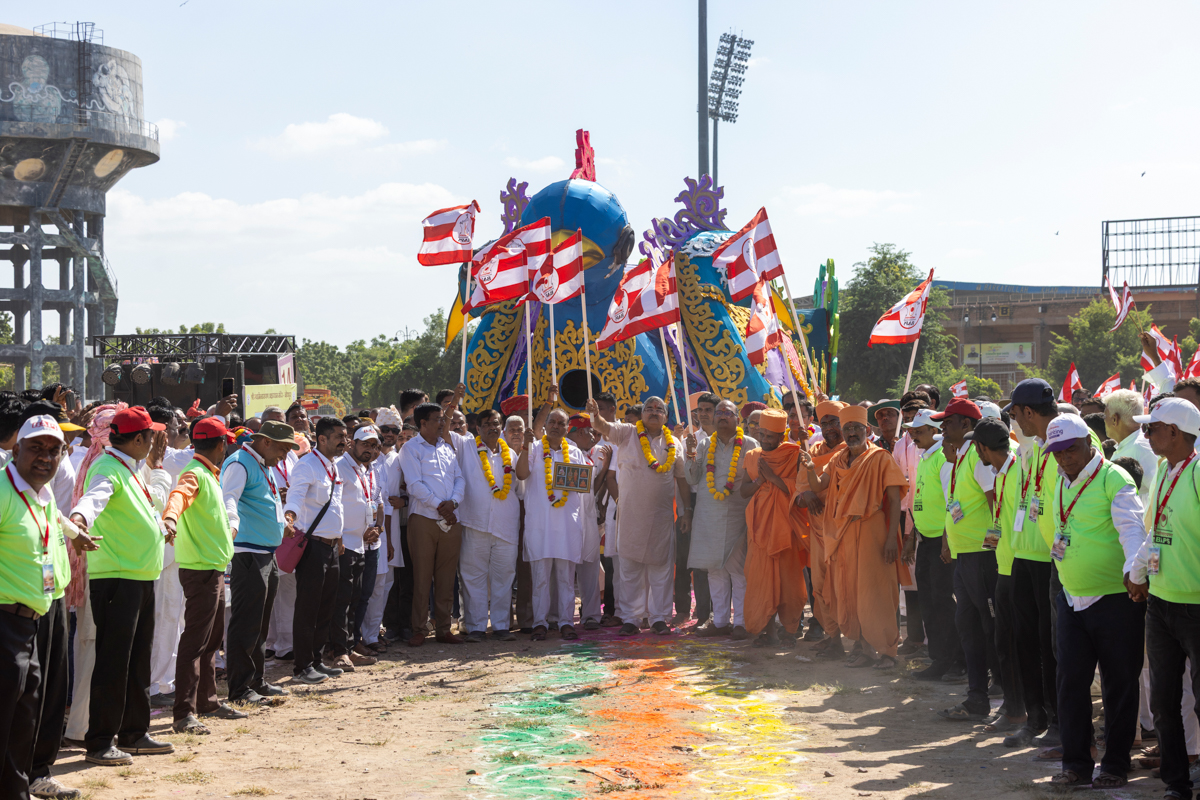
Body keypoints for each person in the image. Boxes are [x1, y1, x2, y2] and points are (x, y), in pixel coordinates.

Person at [1042, 414, 1147, 789]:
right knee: (1070, 683)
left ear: (1089, 442)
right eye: (1057, 451)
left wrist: (1137, 574)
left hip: (1115, 599)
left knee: (1119, 684)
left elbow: (1132, 529)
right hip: (1072, 598)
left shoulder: (1113, 478)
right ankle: (1076, 765)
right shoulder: (1060, 479)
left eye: (1071, 448)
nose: (1064, 457)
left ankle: (1116, 765)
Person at [69, 407, 175, 766]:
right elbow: (93, 498)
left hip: (138, 576)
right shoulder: (108, 467)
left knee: (136, 660)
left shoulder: (128, 467)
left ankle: (133, 733)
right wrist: (80, 521)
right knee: (114, 662)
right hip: (117, 578)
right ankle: (99, 742)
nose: (154, 442)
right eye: (151, 436)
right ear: (140, 439)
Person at [0, 415, 76, 797]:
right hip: (5, 620)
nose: (45, 457)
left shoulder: (40, 494)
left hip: (34, 617)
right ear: (15, 450)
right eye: (36, 448)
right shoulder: (1, 492)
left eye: (54, 450)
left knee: (24, 717)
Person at [1129, 398, 1200, 798]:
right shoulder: (1164, 473)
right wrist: (1137, 573)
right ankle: (1177, 783)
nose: (1146, 434)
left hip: (1197, 604)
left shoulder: (1198, 472)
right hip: (1162, 603)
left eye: (1151, 428)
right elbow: (1153, 531)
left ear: (1173, 432)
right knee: (1164, 703)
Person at [800, 405, 908, 668]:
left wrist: (892, 539)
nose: (851, 433)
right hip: (844, 534)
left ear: (867, 430)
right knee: (850, 591)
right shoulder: (839, 459)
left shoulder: (880, 458)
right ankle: (863, 649)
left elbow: (894, 500)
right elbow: (819, 486)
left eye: (856, 428)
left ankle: (887, 653)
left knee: (876, 591)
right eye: (847, 429)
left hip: (873, 531)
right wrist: (809, 468)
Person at [161, 417, 245, 735]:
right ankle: (184, 713)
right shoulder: (196, 473)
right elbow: (178, 497)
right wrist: (169, 518)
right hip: (200, 570)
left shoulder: (208, 473)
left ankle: (207, 701)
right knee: (196, 642)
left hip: (211, 568)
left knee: (210, 640)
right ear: (221, 444)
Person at [586, 396, 691, 636]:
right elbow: (603, 426)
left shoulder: (673, 442)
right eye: (649, 409)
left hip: (661, 518)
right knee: (630, 568)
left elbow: (682, 480)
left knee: (661, 569)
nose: (654, 412)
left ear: (665, 416)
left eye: (659, 409)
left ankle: (659, 619)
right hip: (631, 515)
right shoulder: (627, 433)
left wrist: (687, 511)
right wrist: (594, 415)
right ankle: (631, 618)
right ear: (642, 414)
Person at [932, 398, 1003, 722]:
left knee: (990, 629)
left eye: (947, 422)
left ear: (965, 425)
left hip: (981, 559)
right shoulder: (960, 458)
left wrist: (991, 550)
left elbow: (996, 507)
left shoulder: (977, 458)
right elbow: (957, 507)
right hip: (964, 559)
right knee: (970, 629)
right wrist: (950, 543)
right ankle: (977, 698)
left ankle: (1004, 694)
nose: (942, 427)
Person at [1004, 378, 1063, 748]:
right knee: (1025, 642)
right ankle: (1035, 717)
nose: (1014, 423)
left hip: (1052, 561)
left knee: (1052, 647)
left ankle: (1059, 722)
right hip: (1023, 556)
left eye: (1015, 414)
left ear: (1028, 411)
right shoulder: (1031, 445)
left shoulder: (1067, 441)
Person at [222, 420, 298, 707]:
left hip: (265, 552)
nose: (285, 455)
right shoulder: (240, 463)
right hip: (247, 552)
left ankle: (255, 681)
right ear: (266, 442)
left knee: (260, 623)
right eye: (282, 448)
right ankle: (240, 689)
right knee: (246, 623)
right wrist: (231, 529)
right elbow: (229, 499)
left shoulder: (261, 463)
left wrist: (280, 525)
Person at [966, 418, 1030, 737]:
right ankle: (1013, 707)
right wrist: (992, 551)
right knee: (1003, 641)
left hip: (1018, 569)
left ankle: (1021, 709)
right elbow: (1000, 519)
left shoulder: (1017, 471)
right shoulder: (1002, 472)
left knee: (1015, 643)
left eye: (974, 445)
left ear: (983, 448)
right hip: (1002, 566)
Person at [443, 389, 521, 643]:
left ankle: (500, 626)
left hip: (506, 527)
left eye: (495, 424)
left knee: (504, 577)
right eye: (486, 424)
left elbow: (520, 489)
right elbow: (444, 429)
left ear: (502, 427)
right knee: (472, 576)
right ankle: (475, 626)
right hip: (475, 523)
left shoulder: (511, 454)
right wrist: (454, 402)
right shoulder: (466, 446)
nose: (492, 428)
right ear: (477, 427)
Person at [685, 399, 758, 639]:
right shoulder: (704, 444)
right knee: (715, 571)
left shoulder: (750, 444)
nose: (722, 416)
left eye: (728, 413)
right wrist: (690, 452)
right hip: (708, 515)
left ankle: (742, 623)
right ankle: (720, 622)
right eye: (719, 413)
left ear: (738, 419)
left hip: (738, 515)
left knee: (738, 570)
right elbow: (693, 478)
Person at [284, 416, 347, 685]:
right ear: (322, 439)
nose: (345, 441)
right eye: (339, 437)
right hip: (313, 548)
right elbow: (295, 497)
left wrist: (339, 537)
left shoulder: (333, 465)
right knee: (308, 608)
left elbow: (336, 506)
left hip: (332, 546)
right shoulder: (307, 465)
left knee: (326, 607)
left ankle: (318, 661)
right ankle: (302, 667)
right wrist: (289, 516)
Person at [903, 409, 962, 681]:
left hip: (942, 542)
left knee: (943, 604)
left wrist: (947, 542)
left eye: (919, 430)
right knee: (928, 602)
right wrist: (913, 534)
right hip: (926, 540)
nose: (914, 435)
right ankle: (938, 658)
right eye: (912, 431)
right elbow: (920, 501)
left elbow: (953, 503)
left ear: (934, 431)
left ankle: (953, 661)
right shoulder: (925, 456)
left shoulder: (944, 458)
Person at [397, 402, 464, 646]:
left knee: (446, 577)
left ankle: (444, 628)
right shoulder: (411, 449)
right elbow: (414, 485)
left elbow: (459, 479)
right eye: (438, 419)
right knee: (422, 577)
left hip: (451, 518)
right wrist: (441, 506)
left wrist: (453, 503)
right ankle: (419, 628)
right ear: (422, 423)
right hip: (424, 520)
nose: (443, 423)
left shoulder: (446, 447)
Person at [739, 408, 807, 644]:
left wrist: (775, 480)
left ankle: (789, 631)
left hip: (785, 527)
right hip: (759, 527)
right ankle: (768, 632)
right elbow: (743, 491)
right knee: (761, 579)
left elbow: (802, 487)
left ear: (781, 436)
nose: (765, 440)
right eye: (763, 434)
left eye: (771, 436)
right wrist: (761, 480)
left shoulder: (795, 454)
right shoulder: (752, 456)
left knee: (790, 583)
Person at [327, 425, 382, 670]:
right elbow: (334, 505)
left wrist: (376, 527)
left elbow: (375, 502)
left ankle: (348, 647)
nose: (369, 449)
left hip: (363, 543)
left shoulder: (366, 469)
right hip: (343, 543)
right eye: (364, 444)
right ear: (352, 444)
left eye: (374, 445)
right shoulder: (339, 466)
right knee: (342, 600)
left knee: (357, 598)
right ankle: (338, 651)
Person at [802, 400, 848, 654]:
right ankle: (833, 637)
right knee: (819, 585)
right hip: (818, 530)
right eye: (824, 422)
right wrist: (805, 495)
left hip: (844, 530)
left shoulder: (855, 451)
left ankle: (856, 639)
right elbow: (800, 488)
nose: (829, 427)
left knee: (843, 586)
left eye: (834, 421)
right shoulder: (812, 452)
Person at [675, 393, 717, 625]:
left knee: (710, 562)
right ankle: (683, 609)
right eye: (699, 410)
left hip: (719, 506)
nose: (702, 414)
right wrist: (686, 512)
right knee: (684, 559)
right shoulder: (688, 441)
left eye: (708, 409)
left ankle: (709, 613)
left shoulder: (727, 440)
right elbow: (683, 480)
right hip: (692, 504)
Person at [567, 415, 604, 630]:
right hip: (569, 519)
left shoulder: (587, 455)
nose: (594, 437)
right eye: (591, 432)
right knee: (565, 570)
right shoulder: (566, 452)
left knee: (590, 567)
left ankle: (591, 615)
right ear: (580, 432)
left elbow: (589, 488)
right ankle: (561, 616)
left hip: (588, 517)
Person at [1105, 389, 1160, 509]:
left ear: (1115, 419)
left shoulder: (1140, 447)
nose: (1104, 420)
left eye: (1105, 415)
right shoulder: (1130, 445)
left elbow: (1158, 492)